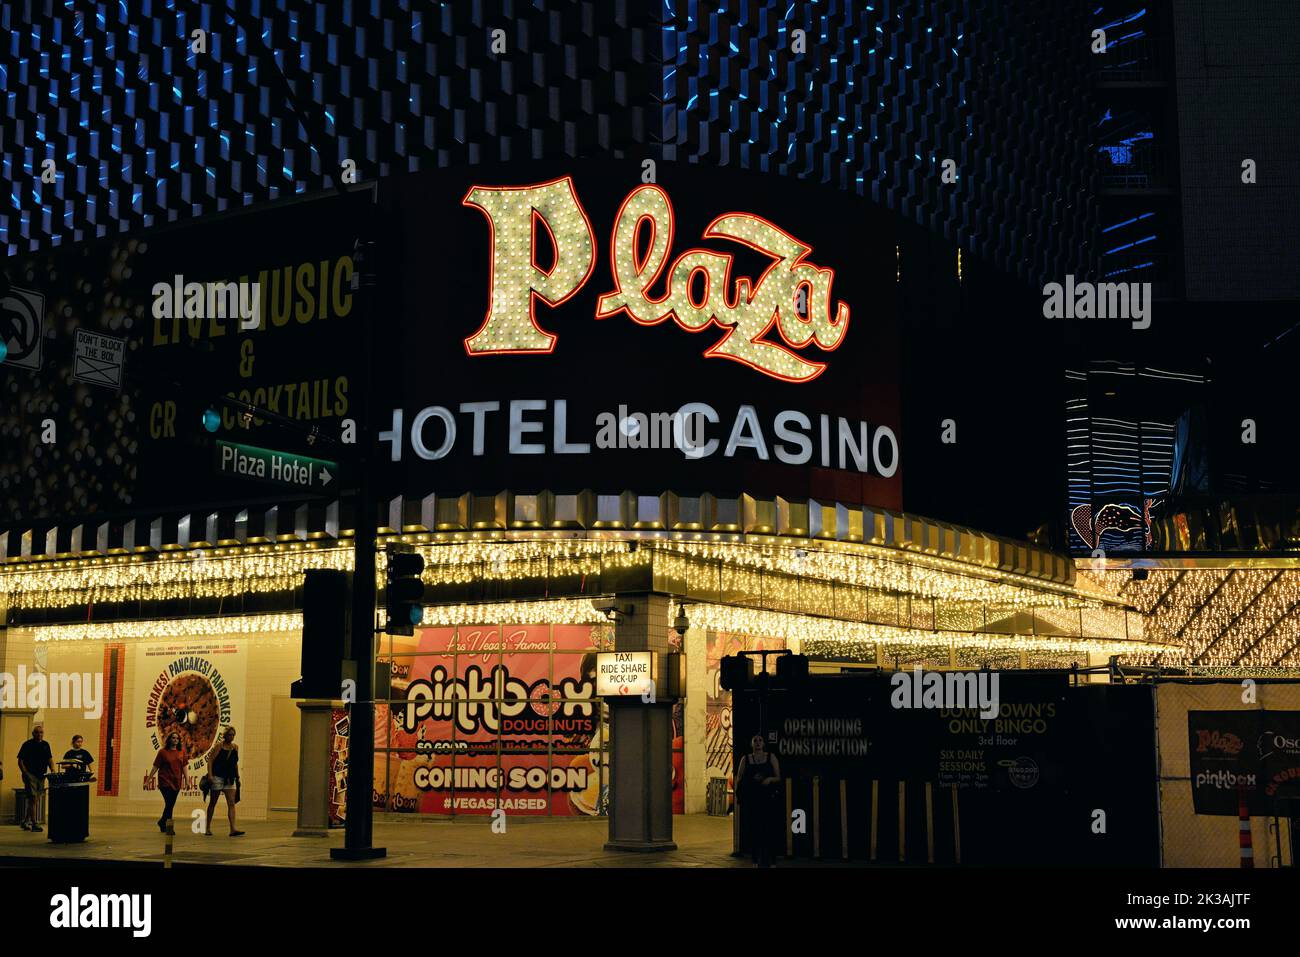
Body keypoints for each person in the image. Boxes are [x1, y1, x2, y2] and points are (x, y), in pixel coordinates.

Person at [735, 733, 781, 867]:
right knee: (754, 831)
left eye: (760, 740)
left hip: (768, 800)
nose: (758, 742)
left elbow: (778, 776)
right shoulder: (746, 759)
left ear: (764, 743)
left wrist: (769, 779)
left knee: (770, 830)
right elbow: (739, 778)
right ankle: (755, 859)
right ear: (751, 744)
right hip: (753, 800)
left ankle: (771, 860)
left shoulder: (771, 757)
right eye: (755, 740)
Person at [204, 727, 244, 837]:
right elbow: (210, 760)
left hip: (229, 778)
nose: (231, 737)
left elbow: (235, 763)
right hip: (218, 776)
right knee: (213, 802)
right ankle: (207, 827)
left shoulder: (235, 747)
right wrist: (210, 775)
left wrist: (238, 777)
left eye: (233, 735)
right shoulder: (219, 746)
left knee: (231, 803)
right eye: (229, 734)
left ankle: (233, 828)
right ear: (225, 735)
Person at [145, 732, 186, 833]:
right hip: (165, 781)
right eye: (173, 738)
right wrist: (148, 780)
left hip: (176, 781)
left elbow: (184, 767)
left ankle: (162, 822)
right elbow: (156, 766)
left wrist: (187, 780)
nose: (175, 740)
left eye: (177, 738)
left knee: (170, 805)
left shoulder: (182, 752)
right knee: (169, 804)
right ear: (169, 739)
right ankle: (169, 828)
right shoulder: (162, 752)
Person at [17, 725, 54, 833]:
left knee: (35, 800)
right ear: (33, 734)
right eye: (37, 732)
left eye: (41, 732)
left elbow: (49, 759)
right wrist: (26, 773)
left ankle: (25, 821)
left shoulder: (46, 745)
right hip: (30, 775)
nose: (39, 734)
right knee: (33, 798)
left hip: (41, 775)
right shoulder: (27, 745)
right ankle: (34, 823)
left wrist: (52, 770)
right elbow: (20, 761)